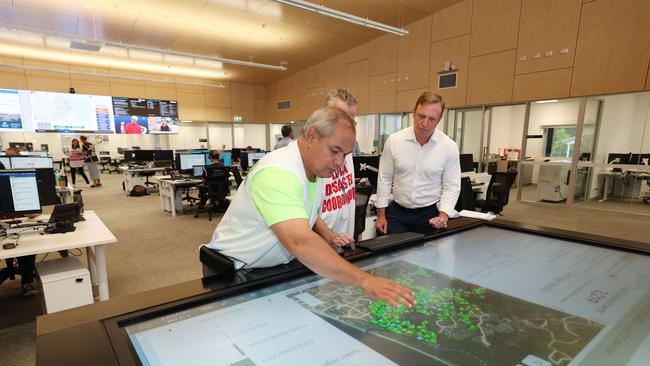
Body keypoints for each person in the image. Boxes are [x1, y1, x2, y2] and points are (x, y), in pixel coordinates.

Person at [204, 106, 415, 308]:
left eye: (345, 155)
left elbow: (306, 211)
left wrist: (328, 235)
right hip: (235, 272)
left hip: (273, 267)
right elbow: (300, 240)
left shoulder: (316, 167)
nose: (340, 162)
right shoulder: (278, 173)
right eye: (335, 150)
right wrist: (366, 281)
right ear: (312, 136)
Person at [374, 92, 460, 235]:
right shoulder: (394, 141)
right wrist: (380, 215)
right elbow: (384, 179)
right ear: (413, 113)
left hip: (429, 214)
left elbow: (451, 186)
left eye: (431, 119)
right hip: (397, 213)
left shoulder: (449, 147)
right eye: (421, 116)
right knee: (390, 256)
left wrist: (443, 215)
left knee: (428, 256)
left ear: (439, 119)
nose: (424, 123)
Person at [320, 88, 358, 240]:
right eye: (341, 118)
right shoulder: (315, 154)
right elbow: (307, 212)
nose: (347, 125)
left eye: (351, 121)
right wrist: (330, 236)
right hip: (322, 241)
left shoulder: (348, 148)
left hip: (345, 238)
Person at [0, 147, 37, 296]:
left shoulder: (11, 187)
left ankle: (27, 282)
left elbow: (29, 211)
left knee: (27, 244)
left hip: (14, 226)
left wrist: (29, 210)